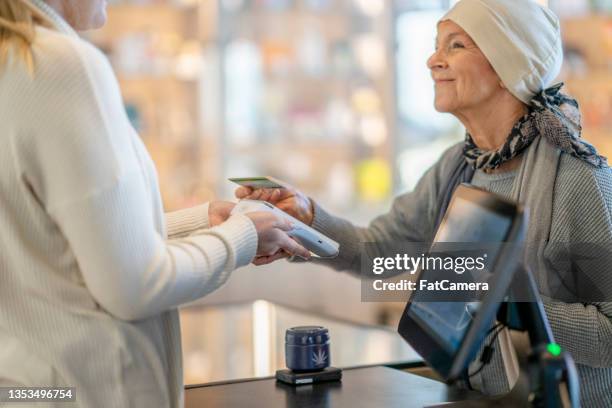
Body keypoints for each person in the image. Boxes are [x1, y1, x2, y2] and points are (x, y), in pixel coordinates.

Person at [237, 0, 612, 406]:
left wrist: (500, 302)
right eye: (437, 46)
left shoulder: (579, 181)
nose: (433, 61)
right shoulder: (458, 167)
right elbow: (380, 252)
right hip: (477, 396)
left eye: (456, 46)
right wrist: (305, 218)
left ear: (509, 63)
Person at [0, 0, 310, 407]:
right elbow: (134, 286)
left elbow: (56, 240)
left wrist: (201, 221)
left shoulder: (12, 59)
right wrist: (243, 237)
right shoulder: (60, 64)